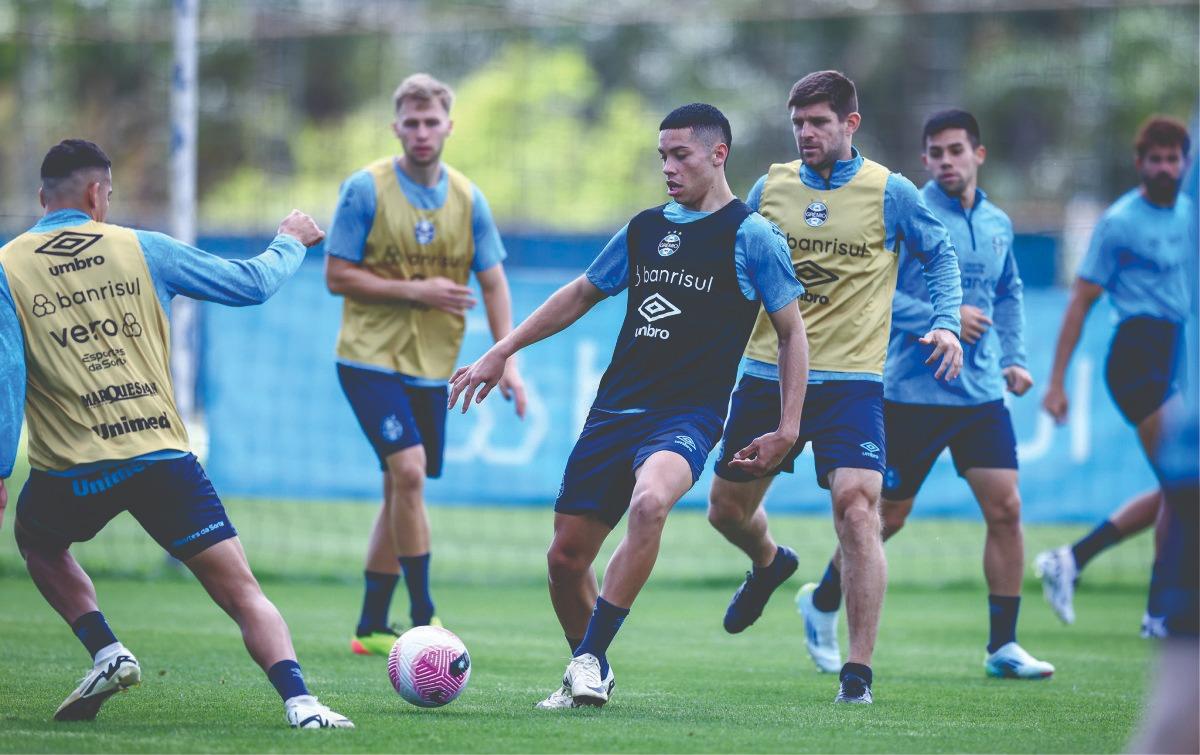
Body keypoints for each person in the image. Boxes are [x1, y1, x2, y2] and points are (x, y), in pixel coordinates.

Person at [449, 104, 808, 709]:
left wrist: (788, 428)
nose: (668, 166)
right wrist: (502, 350)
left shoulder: (751, 235)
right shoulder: (644, 228)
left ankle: (586, 659)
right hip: (614, 411)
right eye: (662, 156)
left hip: (687, 416)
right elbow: (581, 293)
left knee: (650, 502)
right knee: (565, 560)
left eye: (680, 155)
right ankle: (592, 668)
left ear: (718, 154)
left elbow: (793, 333)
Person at [0, 139, 352, 728]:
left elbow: (8, 370)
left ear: (43, 198)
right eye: (107, 194)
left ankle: (108, 651)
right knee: (241, 591)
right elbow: (250, 285)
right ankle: (302, 704)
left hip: (72, 470)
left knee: (38, 543)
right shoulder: (142, 248)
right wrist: (290, 239)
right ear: (96, 194)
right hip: (160, 456)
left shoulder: (8, 265)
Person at [704, 70, 963, 705]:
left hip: (851, 383)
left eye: (818, 122)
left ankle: (858, 672)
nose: (806, 133)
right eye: (798, 122)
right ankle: (772, 562)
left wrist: (947, 323)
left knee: (857, 509)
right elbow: (728, 251)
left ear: (850, 123)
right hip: (766, 373)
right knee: (725, 511)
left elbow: (941, 256)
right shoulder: (773, 185)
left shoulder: (890, 191)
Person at [796, 109, 1053, 680]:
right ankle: (820, 603)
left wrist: (1014, 359)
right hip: (910, 391)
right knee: (887, 520)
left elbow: (1008, 292)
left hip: (980, 394)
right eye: (935, 153)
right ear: (925, 159)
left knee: (1007, 509)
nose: (946, 162)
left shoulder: (998, 224)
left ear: (978, 155)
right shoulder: (908, 209)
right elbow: (876, 293)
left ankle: (1003, 646)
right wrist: (945, 314)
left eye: (956, 150)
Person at [324, 73, 526, 656]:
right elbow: (337, 274)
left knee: (400, 485)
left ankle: (369, 624)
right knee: (409, 473)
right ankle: (424, 615)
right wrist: (418, 290)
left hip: (431, 365)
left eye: (430, 121)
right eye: (410, 123)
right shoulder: (364, 189)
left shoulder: (468, 198)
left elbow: (493, 284)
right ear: (396, 127)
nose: (421, 132)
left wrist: (506, 359)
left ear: (448, 126)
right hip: (367, 359)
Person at [1037, 116, 1195, 634]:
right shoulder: (1120, 222)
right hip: (1135, 356)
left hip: (1171, 352)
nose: (1165, 168)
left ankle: (1074, 561)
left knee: (1181, 486)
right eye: (1157, 159)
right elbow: (1080, 302)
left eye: (1174, 159)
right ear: (1140, 163)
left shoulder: (1188, 214)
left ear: (1186, 163)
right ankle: (1159, 611)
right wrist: (1057, 383)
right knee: (1184, 482)